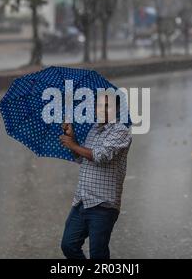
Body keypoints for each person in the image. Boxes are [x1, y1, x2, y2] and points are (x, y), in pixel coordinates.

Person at [59, 95, 132, 259]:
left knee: (98, 254)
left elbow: (101, 156)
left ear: (117, 109)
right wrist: (73, 138)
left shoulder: (121, 131)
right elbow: (80, 158)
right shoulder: (92, 129)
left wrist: (73, 144)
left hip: (103, 204)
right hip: (81, 201)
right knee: (68, 245)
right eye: (99, 105)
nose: (102, 110)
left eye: (108, 106)